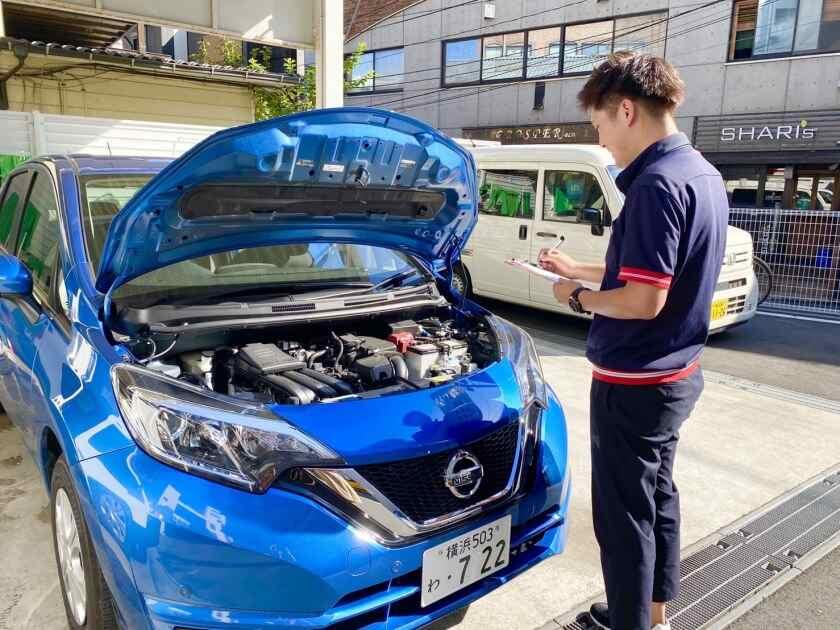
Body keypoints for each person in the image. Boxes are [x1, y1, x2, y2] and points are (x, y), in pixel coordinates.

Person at [538, 52, 729, 630]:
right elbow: (650, 271)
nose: (601, 141)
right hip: (676, 375)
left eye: (598, 126)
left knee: (623, 517)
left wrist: (576, 297)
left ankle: (630, 623)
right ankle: (653, 614)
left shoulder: (654, 185)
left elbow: (644, 300)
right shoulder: (700, 173)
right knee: (657, 498)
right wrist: (578, 269)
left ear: (625, 111)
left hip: (635, 383)